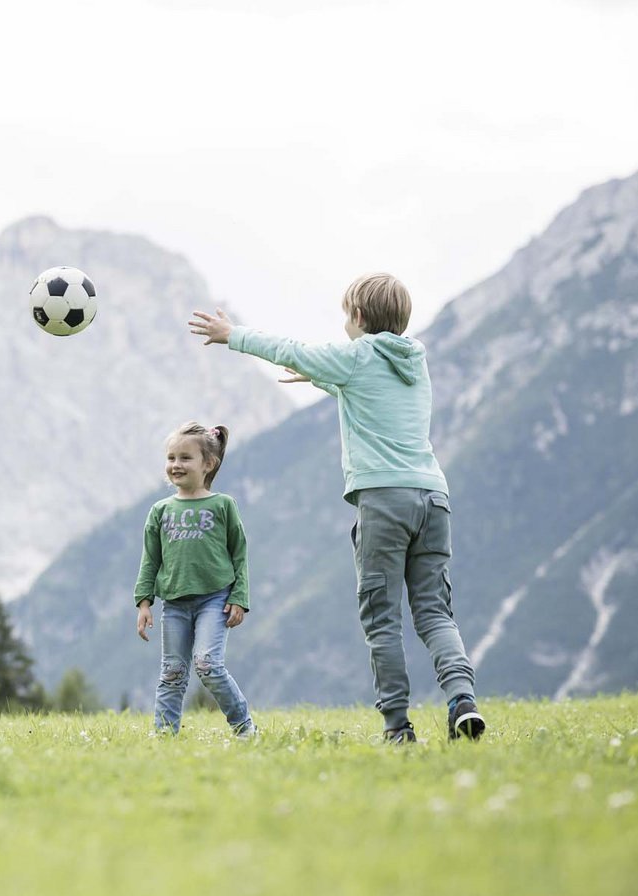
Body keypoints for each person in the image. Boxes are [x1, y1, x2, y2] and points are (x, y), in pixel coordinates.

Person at [190, 272, 486, 744]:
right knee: (434, 613)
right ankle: (462, 700)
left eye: (346, 314)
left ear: (359, 317)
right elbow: (369, 396)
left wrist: (234, 336)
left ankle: (397, 727)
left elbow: (294, 350)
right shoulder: (415, 362)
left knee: (382, 617)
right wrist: (322, 380)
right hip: (433, 499)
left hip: (384, 501)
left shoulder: (357, 355)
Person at [133, 421, 256, 739]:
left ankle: (244, 727)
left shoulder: (222, 505)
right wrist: (144, 602)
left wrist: (239, 597)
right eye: (171, 458)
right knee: (172, 672)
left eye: (185, 458)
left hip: (214, 600)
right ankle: (164, 736)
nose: (176, 465)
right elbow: (151, 560)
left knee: (207, 664)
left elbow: (239, 554)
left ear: (208, 463)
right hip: (174, 603)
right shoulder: (159, 511)